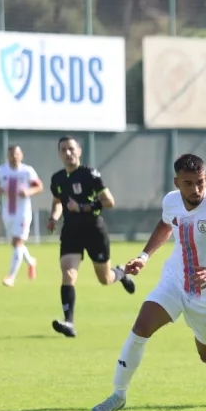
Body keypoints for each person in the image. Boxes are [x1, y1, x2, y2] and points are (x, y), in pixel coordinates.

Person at [90, 153, 206, 411]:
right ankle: (118, 395)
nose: (195, 190)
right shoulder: (171, 200)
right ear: (176, 182)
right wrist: (144, 256)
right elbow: (167, 223)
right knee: (141, 328)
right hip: (174, 279)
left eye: (200, 182)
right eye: (188, 183)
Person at [47, 136, 135, 338]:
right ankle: (69, 322)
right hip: (71, 231)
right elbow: (58, 201)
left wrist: (82, 207)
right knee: (68, 274)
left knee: (105, 279)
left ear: (78, 151)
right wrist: (53, 217)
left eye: (71, 149)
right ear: (59, 154)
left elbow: (109, 201)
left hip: (94, 230)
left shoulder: (90, 175)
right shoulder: (57, 178)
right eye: (63, 150)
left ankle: (120, 273)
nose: (68, 153)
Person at [0, 144, 43, 286]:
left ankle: (11, 277)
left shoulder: (27, 171)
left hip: (23, 212)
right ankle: (31, 261)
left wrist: (28, 192)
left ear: (21, 155)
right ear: (8, 156)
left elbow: (39, 186)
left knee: (18, 241)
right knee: (16, 243)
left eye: (17, 154)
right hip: (8, 211)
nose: (14, 157)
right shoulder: (0, 171)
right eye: (12, 154)